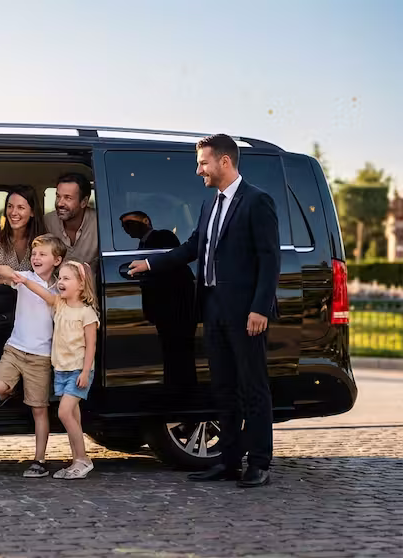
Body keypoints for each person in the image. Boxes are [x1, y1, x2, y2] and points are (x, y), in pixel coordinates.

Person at [128, 134, 280, 488]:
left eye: (203, 163)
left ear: (224, 162)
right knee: (223, 389)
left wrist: (260, 308)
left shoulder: (257, 201)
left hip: (246, 314)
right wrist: (150, 265)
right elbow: (193, 247)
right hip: (213, 310)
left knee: (253, 388)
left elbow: (269, 259)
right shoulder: (210, 205)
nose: (199, 170)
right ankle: (227, 463)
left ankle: (259, 463)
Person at [0, 234, 66, 478]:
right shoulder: (24, 277)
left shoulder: (60, 287)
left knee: (39, 410)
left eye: (42, 255)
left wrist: (26, 283)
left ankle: (39, 460)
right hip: (15, 349)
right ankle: (10, 390)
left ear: (56, 261)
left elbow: (51, 300)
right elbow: (7, 271)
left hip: (40, 357)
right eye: (34, 254)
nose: (36, 258)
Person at [14, 259, 99, 480]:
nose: (60, 282)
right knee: (74, 417)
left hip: (79, 371)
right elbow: (42, 292)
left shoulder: (87, 313)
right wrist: (24, 280)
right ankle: (76, 461)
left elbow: (91, 346)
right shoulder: (59, 304)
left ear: (81, 284)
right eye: (59, 278)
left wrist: (85, 372)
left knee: (63, 412)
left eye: (66, 278)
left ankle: (83, 460)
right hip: (61, 370)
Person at [120, 211, 197, 389]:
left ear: (146, 221)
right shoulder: (142, 244)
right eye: (124, 227)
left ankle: (185, 395)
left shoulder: (164, 237)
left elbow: (174, 265)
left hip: (177, 308)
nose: (127, 229)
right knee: (169, 353)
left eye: (130, 223)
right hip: (163, 310)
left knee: (181, 353)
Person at [0, 185, 47, 288]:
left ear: (32, 212)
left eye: (21, 208)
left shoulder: (41, 239)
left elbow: (45, 278)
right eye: (10, 206)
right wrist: (9, 282)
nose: (13, 213)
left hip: (29, 297)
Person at [44, 173, 99, 269]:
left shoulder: (99, 223)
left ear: (84, 202)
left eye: (68, 198)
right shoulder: (47, 222)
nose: (60, 203)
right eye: (58, 196)